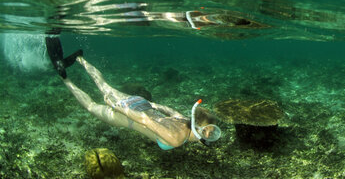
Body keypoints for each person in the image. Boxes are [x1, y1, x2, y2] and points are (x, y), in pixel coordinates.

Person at [46, 36, 221, 150]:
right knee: (91, 106)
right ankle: (65, 78)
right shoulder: (176, 138)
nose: (210, 134)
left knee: (104, 85)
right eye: (208, 131)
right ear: (198, 127)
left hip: (140, 103)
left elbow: (167, 110)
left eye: (211, 131)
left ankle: (80, 59)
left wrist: (152, 104)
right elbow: (144, 120)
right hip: (129, 115)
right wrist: (117, 107)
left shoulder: (184, 120)